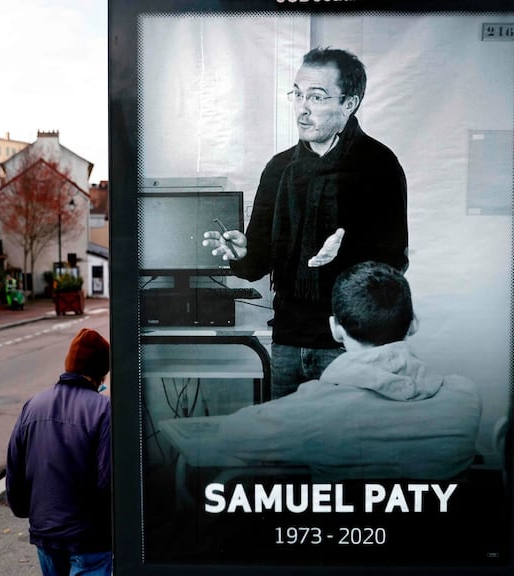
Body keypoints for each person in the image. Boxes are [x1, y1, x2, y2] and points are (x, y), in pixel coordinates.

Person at [203, 47, 409, 398]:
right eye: (297, 94)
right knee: (288, 449)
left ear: (350, 103)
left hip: (350, 346)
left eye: (316, 96)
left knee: (343, 450)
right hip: (287, 343)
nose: (302, 107)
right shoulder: (279, 169)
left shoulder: (379, 166)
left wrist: (344, 257)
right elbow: (256, 266)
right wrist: (240, 252)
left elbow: (394, 266)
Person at [209, 261, 481, 482]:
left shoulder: (312, 409)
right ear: (413, 324)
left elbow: (229, 437)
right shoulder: (465, 399)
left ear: (336, 329)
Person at [6, 328, 113, 576]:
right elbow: (106, 479)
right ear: (100, 373)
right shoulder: (104, 410)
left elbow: (15, 467)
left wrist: (25, 510)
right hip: (90, 539)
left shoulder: (33, 405)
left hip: (46, 533)